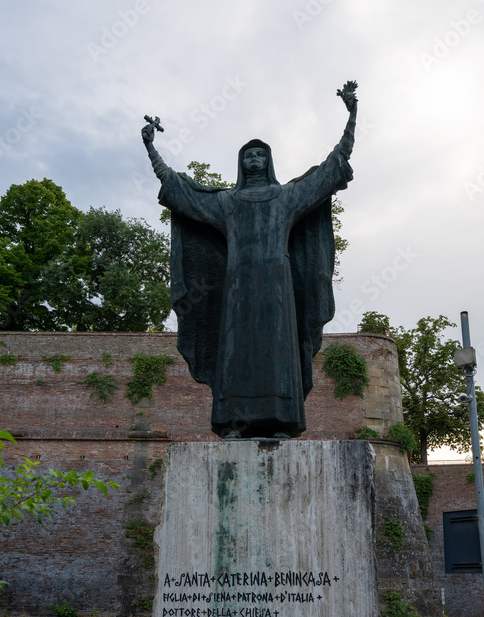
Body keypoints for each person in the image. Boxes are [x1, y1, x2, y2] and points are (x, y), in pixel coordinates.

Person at [142, 81, 358, 439]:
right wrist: (151, 148)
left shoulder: (286, 197)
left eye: (260, 155)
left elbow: (330, 168)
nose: (254, 159)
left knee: (277, 351)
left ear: (268, 161)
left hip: (277, 286)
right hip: (237, 288)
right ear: (241, 162)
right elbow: (181, 191)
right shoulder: (226, 202)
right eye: (248, 155)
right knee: (236, 352)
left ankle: (280, 422)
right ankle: (232, 423)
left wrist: (351, 116)